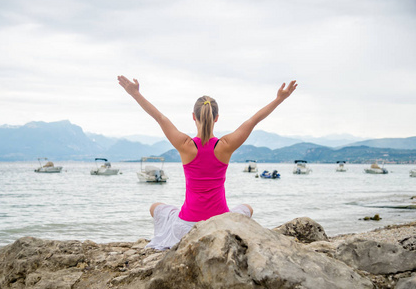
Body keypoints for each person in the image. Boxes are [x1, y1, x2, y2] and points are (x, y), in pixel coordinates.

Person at [118, 75, 297, 250]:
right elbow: (253, 120)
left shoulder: (185, 145)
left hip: (186, 227)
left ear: (193, 117)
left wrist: (135, 94)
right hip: (220, 225)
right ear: (217, 117)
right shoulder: (225, 145)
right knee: (247, 208)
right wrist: (279, 99)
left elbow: (160, 118)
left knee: (155, 207)